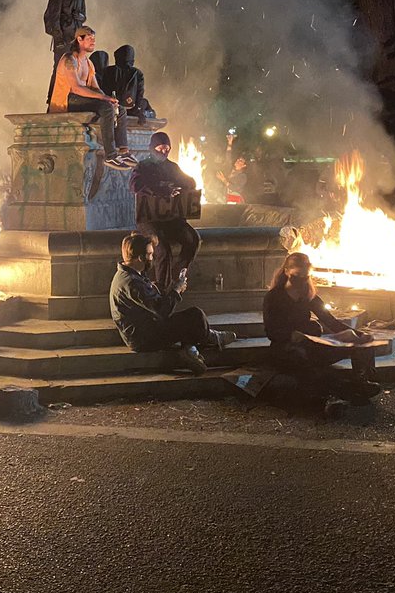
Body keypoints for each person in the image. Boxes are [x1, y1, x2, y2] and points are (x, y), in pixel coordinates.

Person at [109, 231, 235, 375]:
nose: (152, 258)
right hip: (144, 338)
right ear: (140, 258)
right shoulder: (131, 282)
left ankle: (190, 349)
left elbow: (151, 301)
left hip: (145, 329)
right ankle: (209, 338)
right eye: (150, 254)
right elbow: (163, 311)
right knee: (195, 315)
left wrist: (163, 289)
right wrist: (176, 290)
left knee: (189, 319)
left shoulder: (128, 275)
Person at [261, 252, 380, 397]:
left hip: (309, 344)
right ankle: (338, 393)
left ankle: (361, 381)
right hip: (285, 348)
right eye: (296, 277)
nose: (301, 282)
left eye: (305, 278)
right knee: (304, 360)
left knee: (359, 344)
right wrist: (291, 335)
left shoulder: (308, 295)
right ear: (286, 272)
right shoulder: (274, 297)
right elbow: (271, 331)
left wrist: (358, 335)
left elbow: (330, 321)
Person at [47, 26, 135, 170]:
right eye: (89, 38)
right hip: (68, 100)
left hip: (82, 98)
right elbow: (76, 88)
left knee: (119, 109)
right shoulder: (69, 60)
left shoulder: (88, 63)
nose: (93, 42)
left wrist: (109, 99)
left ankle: (123, 151)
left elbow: (95, 87)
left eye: (94, 38)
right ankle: (110, 156)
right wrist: (103, 100)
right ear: (79, 39)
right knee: (105, 107)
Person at [129, 131, 201, 292]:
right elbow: (135, 185)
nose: (163, 152)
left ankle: (177, 276)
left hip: (171, 218)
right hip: (149, 218)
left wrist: (180, 187)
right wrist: (159, 189)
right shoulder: (143, 166)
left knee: (193, 239)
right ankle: (161, 288)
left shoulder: (172, 167)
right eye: (160, 148)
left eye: (166, 148)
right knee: (162, 249)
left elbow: (190, 182)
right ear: (152, 148)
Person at [43, 0, 87, 105]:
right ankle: (53, 100)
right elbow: (51, 17)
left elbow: (83, 15)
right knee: (60, 70)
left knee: (77, 69)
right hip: (63, 40)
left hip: (76, 39)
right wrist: (59, 38)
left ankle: (74, 97)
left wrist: (79, 16)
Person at [100, 44, 154, 120]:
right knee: (147, 106)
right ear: (132, 60)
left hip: (112, 108)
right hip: (132, 110)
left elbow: (104, 91)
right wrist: (138, 110)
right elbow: (140, 94)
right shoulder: (138, 73)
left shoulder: (108, 71)